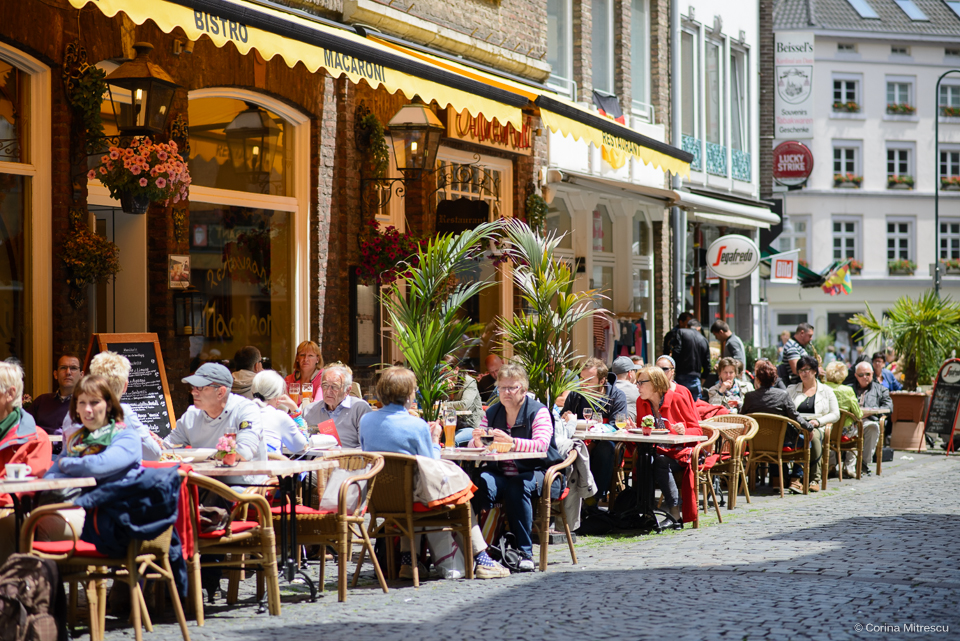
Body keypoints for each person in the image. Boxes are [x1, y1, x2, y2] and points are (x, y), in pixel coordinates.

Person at [359, 367, 509, 580]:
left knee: (408, 492)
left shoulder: (366, 421)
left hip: (380, 498)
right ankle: (482, 558)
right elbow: (432, 465)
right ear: (408, 394)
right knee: (465, 498)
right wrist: (434, 438)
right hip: (415, 497)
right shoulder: (416, 425)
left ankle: (407, 560)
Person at [469, 363, 565, 571]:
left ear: (523, 389)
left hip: (540, 472)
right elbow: (478, 442)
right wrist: (476, 441)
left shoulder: (538, 412)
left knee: (517, 486)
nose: (505, 393)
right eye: (501, 388)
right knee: (478, 483)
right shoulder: (493, 412)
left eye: (511, 388)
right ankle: (481, 548)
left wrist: (511, 441)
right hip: (501, 472)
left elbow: (541, 445)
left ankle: (524, 552)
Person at [42, 375, 144, 544]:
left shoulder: (126, 436)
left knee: (39, 525)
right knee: (11, 524)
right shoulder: (76, 440)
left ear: (109, 405)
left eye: (94, 402)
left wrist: (65, 463)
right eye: (82, 403)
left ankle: (49, 570)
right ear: (76, 408)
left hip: (113, 515)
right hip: (77, 507)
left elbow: (98, 466)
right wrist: (74, 471)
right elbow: (49, 477)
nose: (88, 409)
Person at [163, 363, 266, 485]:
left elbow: (244, 452)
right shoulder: (191, 415)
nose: (193, 392)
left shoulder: (245, 410)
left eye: (200, 387)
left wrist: (206, 455)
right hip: (205, 484)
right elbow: (168, 448)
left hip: (244, 486)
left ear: (221, 392)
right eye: (193, 387)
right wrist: (156, 444)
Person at [632, 365, 702, 523]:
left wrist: (684, 431)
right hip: (655, 451)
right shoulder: (640, 402)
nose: (638, 387)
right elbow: (643, 433)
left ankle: (674, 512)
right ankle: (646, 513)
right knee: (645, 460)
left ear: (656, 383)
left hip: (680, 452)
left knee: (659, 461)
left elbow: (697, 430)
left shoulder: (677, 398)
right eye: (637, 382)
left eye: (641, 382)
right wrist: (633, 430)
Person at [63, 351, 163, 461]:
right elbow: (154, 454)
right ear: (125, 386)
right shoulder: (122, 412)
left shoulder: (72, 413)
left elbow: (66, 453)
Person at [0, 361, 53, 563]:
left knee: (5, 527)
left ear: (10, 394)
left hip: (14, 512)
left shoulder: (35, 438)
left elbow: (28, 489)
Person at [741, 360, 813, 493]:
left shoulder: (749, 397)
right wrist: (809, 427)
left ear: (757, 379)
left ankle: (776, 479)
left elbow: (742, 417)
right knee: (805, 442)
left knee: (773, 439)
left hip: (755, 443)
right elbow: (796, 416)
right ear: (775, 379)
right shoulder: (782, 395)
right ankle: (795, 479)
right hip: (781, 443)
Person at [561, 358, 627, 501]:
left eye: (588, 380)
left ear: (602, 381)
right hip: (578, 443)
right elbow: (563, 419)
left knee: (604, 448)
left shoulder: (616, 396)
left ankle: (594, 499)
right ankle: (565, 498)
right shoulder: (575, 395)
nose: (582, 384)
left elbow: (616, 425)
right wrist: (566, 417)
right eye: (581, 379)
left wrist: (593, 444)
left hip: (607, 446)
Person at [784, 355, 839, 493]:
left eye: (807, 370)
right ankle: (793, 477)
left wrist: (818, 421)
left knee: (812, 437)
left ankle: (814, 478)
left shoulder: (826, 391)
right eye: (800, 370)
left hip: (817, 425)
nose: (803, 373)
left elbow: (835, 414)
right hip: (796, 425)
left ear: (815, 371)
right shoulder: (791, 390)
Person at [302, 363, 371, 449]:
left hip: (347, 460)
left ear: (348, 390)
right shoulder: (309, 410)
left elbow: (367, 447)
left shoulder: (360, 408)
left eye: (334, 387)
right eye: (325, 385)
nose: (328, 391)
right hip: (315, 461)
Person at [849, 361, 892, 476]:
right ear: (855, 376)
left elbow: (889, 407)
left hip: (868, 420)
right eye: (861, 375)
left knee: (873, 427)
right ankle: (845, 467)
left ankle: (863, 463)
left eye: (868, 374)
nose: (865, 377)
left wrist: (870, 412)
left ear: (872, 374)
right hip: (850, 421)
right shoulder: (848, 389)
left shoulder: (881, 389)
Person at [251, 370, 308, 455]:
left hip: (245, 466)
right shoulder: (279, 416)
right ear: (278, 394)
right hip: (271, 466)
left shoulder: (243, 412)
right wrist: (294, 409)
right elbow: (301, 445)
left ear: (252, 392)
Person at [823, 361, 864, 478]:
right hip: (844, 432)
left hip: (827, 428)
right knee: (857, 430)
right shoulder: (847, 391)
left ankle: (831, 464)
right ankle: (849, 466)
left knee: (829, 439)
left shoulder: (823, 388)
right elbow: (858, 414)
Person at [25, 354, 83, 434]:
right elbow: (23, 427)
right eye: (63, 368)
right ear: (55, 374)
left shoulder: (86, 404)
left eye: (73, 368)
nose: (68, 372)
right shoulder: (42, 401)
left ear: (81, 375)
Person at [443, 356, 483, 446]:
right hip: (450, 425)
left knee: (453, 441)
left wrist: (443, 405)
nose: (443, 374)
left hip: (471, 425)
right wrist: (439, 389)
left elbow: (464, 405)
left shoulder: (469, 382)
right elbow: (435, 405)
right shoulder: (443, 384)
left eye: (446, 370)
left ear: (456, 370)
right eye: (441, 371)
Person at [668, 319, 710, 401]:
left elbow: (677, 351)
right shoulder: (704, 340)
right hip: (696, 378)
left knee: (679, 403)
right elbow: (707, 364)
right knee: (696, 407)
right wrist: (701, 381)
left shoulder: (681, 332)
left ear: (687, 326)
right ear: (698, 328)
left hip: (681, 375)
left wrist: (672, 368)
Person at [611, 356, 641, 421]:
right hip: (630, 429)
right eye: (634, 371)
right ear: (630, 373)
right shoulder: (638, 390)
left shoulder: (608, 389)